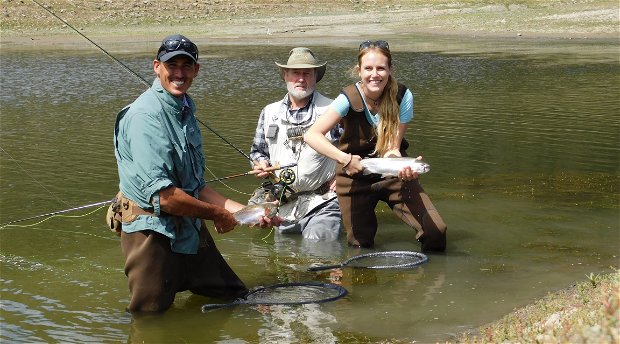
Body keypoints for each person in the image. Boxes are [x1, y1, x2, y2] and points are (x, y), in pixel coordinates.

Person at [113, 34, 278, 313]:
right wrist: (217, 215)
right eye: (171, 65)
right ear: (156, 66)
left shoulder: (185, 108)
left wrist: (250, 213)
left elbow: (196, 187)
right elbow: (165, 198)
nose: (179, 73)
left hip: (189, 221)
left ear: (196, 70)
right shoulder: (144, 118)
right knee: (149, 318)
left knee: (234, 296)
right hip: (151, 231)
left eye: (186, 66)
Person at [304, 40, 447, 251]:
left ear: (390, 69)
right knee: (361, 246)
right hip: (354, 176)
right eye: (368, 69)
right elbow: (312, 135)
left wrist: (401, 166)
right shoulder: (347, 98)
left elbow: (392, 148)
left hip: (391, 173)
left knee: (436, 232)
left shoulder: (403, 96)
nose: (375, 74)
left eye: (381, 68)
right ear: (358, 71)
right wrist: (345, 159)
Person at [249, 47, 342, 241]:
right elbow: (258, 152)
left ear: (315, 76)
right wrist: (260, 164)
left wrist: (343, 174)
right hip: (282, 203)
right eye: (295, 73)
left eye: (307, 73)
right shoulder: (269, 112)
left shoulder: (333, 109)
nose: (301, 79)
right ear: (285, 75)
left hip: (323, 201)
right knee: (285, 262)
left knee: (318, 246)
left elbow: (357, 149)